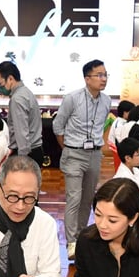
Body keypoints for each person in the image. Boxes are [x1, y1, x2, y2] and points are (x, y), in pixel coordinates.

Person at [54, 59, 112, 260]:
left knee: (88, 198)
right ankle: (71, 242)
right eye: (99, 75)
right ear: (87, 78)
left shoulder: (106, 101)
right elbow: (58, 125)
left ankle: (81, 237)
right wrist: (68, 148)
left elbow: (101, 126)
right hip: (73, 153)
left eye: (105, 75)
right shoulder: (72, 98)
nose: (103, 79)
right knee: (74, 198)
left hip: (94, 154)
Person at [0, 61, 44, 165]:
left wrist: (22, 160)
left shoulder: (17, 99)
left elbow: (22, 132)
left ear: (10, 79)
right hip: (34, 150)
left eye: (0, 83)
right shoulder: (26, 92)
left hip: (27, 154)